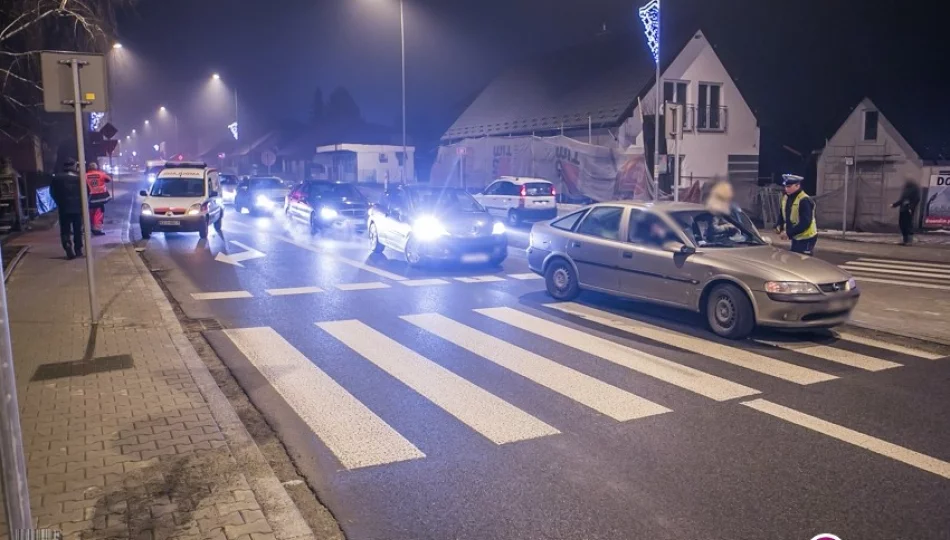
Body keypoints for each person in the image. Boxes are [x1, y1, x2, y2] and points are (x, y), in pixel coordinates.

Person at [49, 160, 84, 259]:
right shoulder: (79, 179)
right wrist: (82, 205)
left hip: (63, 208)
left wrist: (59, 202)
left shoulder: (56, 179)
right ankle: (78, 250)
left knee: (65, 230)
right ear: (73, 166)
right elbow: (87, 192)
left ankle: (67, 246)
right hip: (77, 208)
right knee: (78, 230)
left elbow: (52, 192)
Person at [775, 174, 818, 255]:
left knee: (803, 261)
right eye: (786, 186)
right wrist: (778, 226)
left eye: (789, 186)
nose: (786, 189)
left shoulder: (804, 200)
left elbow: (805, 223)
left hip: (807, 237)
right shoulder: (786, 198)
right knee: (794, 259)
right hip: (796, 236)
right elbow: (782, 214)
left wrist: (788, 233)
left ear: (797, 186)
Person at [85, 162, 112, 235]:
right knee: (98, 214)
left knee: (90, 213)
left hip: (90, 198)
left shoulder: (85, 175)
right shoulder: (100, 174)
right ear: (96, 168)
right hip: (101, 197)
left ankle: (90, 228)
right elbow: (109, 179)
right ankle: (97, 230)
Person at [892, 179, 921, 245]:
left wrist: (911, 207)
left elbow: (916, 199)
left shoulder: (915, 189)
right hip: (903, 209)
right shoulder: (905, 189)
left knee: (908, 224)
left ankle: (909, 241)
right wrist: (894, 205)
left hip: (908, 209)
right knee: (902, 224)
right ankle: (905, 240)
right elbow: (902, 200)